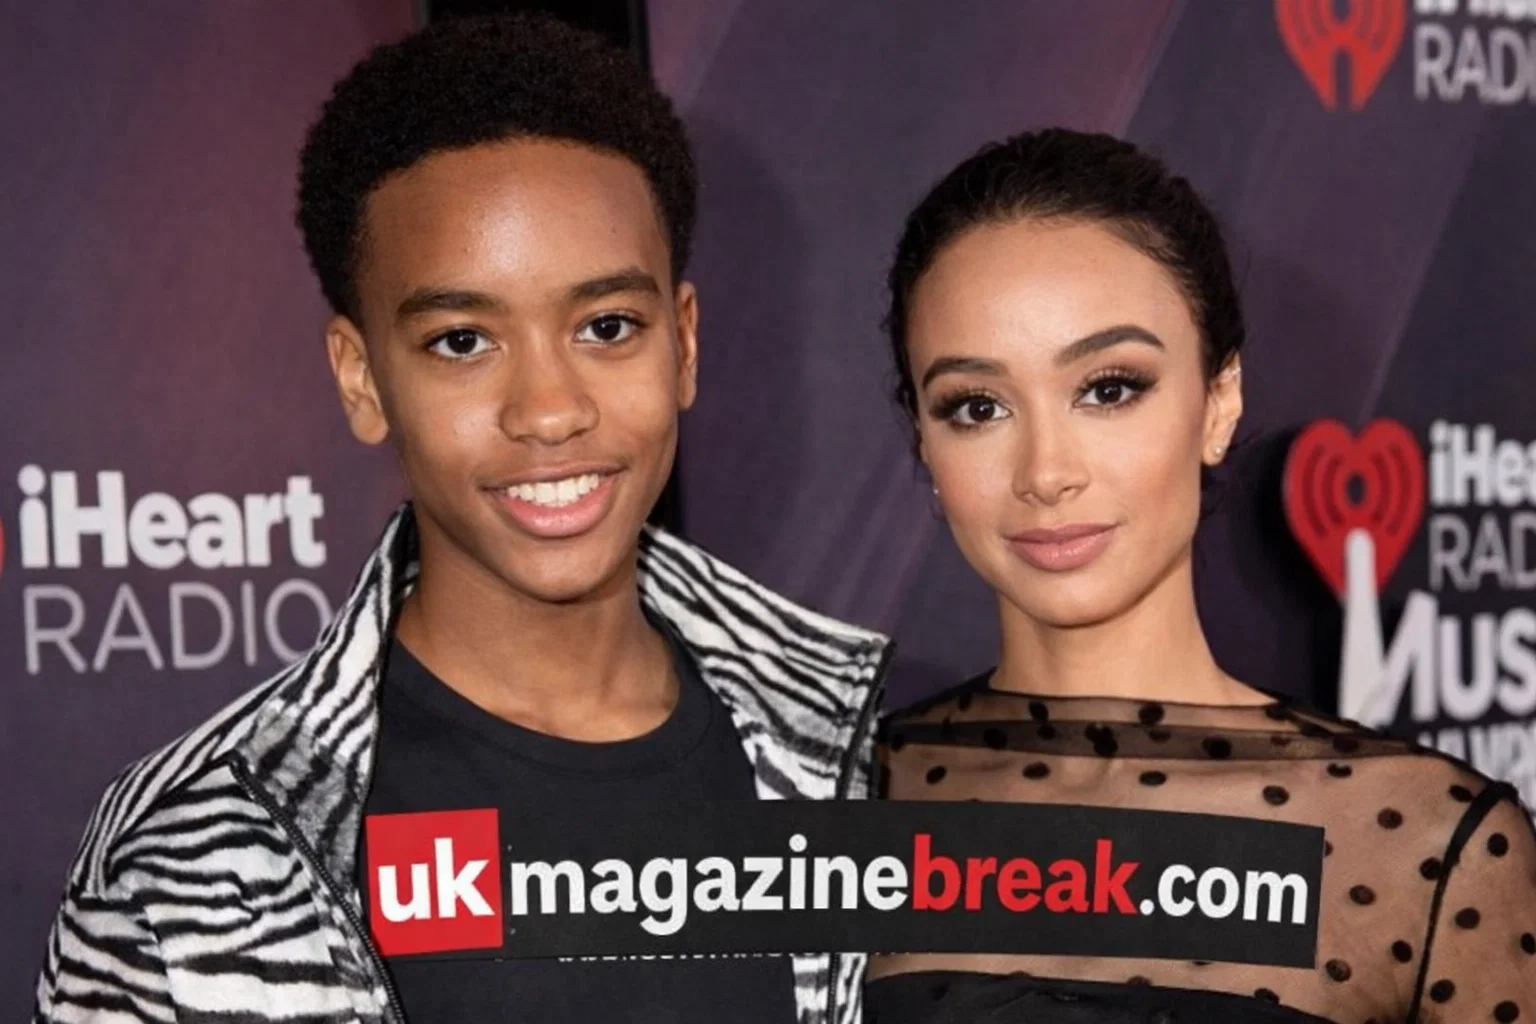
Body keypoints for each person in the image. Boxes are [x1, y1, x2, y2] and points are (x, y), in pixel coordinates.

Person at [33, 15, 888, 1024]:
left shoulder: (869, 751)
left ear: (684, 345)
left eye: (608, 326)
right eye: (462, 342)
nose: (550, 410)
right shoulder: (189, 861)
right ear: (362, 378)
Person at [867, 128, 1536, 1023]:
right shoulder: (835, 807)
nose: (1046, 472)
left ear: (1219, 402)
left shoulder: (1425, 846)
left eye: (1109, 388)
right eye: (976, 407)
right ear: (924, 442)